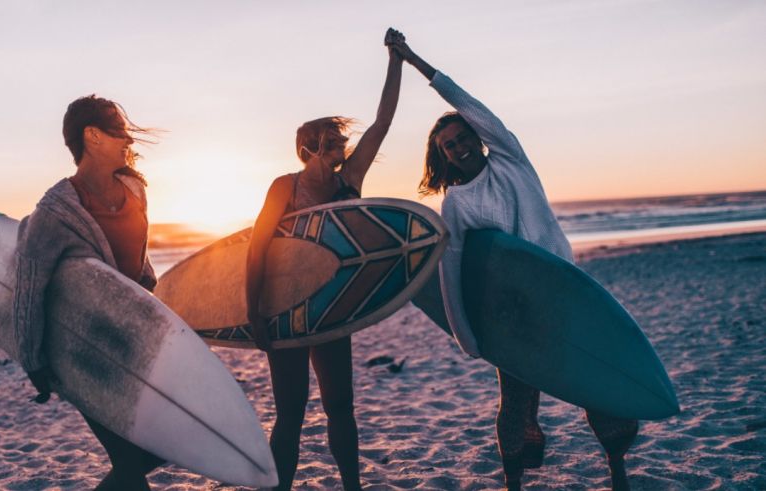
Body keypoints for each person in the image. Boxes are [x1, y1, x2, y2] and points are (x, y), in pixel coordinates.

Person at [387, 31, 639, 491]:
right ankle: (514, 482)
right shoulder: (457, 205)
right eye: (449, 144)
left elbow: (473, 105)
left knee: (596, 382)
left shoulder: (511, 160)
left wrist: (415, 61)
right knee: (518, 400)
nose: (460, 145)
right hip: (514, 314)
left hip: (565, 294)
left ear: (478, 137)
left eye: (464, 136)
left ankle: (618, 471)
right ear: (440, 156)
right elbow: (453, 270)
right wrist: (467, 336)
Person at [245, 29, 403, 491]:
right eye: (331, 140)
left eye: (339, 139)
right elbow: (257, 248)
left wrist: (396, 59)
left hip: (333, 307)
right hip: (288, 311)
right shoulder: (284, 187)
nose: (341, 144)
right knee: (290, 413)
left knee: (340, 407)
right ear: (307, 148)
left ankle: (351, 485)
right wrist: (254, 311)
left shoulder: (349, 180)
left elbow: (382, 123)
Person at [13, 95, 163, 490]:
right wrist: (34, 362)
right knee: (131, 464)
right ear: (92, 136)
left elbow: (139, 262)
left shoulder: (134, 188)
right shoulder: (56, 211)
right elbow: (28, 288)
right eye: (119, 128)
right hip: (83, 355)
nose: (128, 138)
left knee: (152, 453)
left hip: (134, 345)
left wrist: (161, 314)